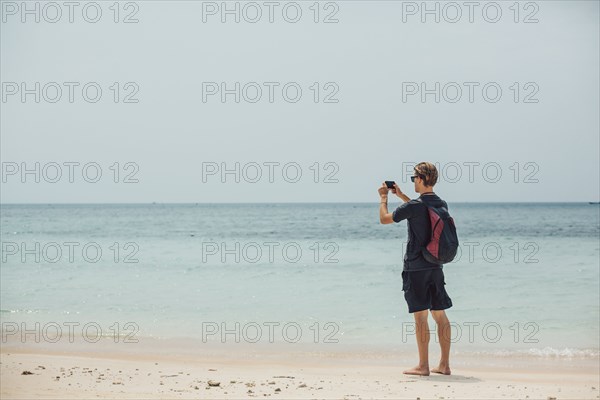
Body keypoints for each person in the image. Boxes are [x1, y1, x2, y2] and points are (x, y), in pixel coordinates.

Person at [378, 162, 453, 376]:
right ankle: (445, 365)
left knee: (420, 317)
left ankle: (423, 366)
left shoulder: (414, 206)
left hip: (416, 267)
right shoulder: (441, 203)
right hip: (436, 265)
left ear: (420, 179)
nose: (413, 182)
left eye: (413, 179)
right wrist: (401, 195)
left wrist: (384, 198)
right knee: (440, 315)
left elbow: (384, 219)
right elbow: (421, 212)